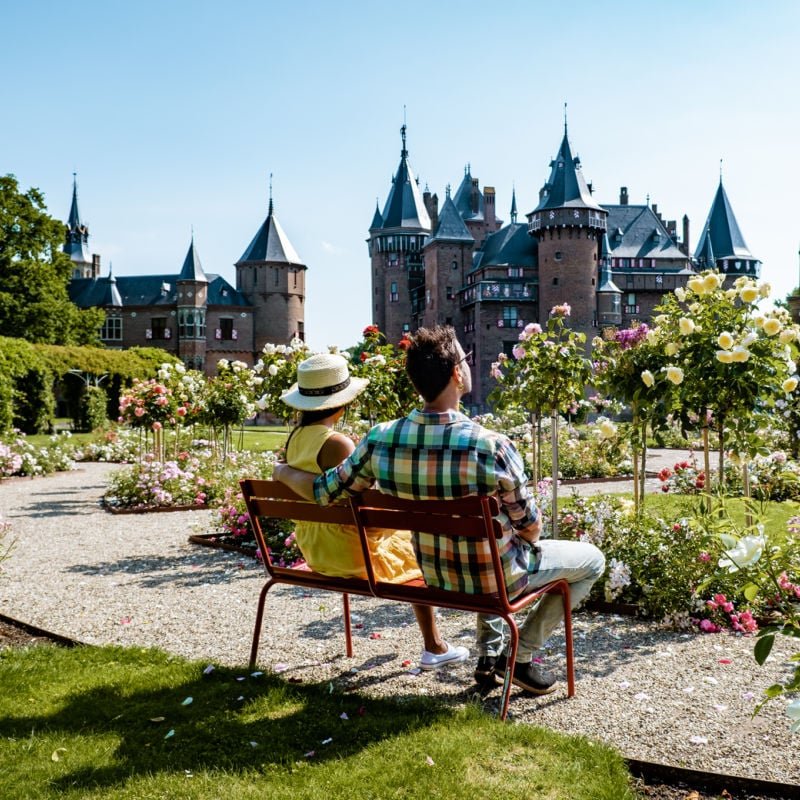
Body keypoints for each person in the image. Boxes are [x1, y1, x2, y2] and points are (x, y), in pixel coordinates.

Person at [274, 327, 605, 695]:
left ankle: (489, 655)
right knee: (589, 560)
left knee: (488, 545)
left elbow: (325, 492)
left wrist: (284, 470)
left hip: (432, 575)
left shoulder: (379, 439)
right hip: (493, 578)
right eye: (465, 360)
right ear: (456, 374)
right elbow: (530, 527)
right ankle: (519, 656)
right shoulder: (491, 446)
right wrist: (528, 535)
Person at [278, 352, 468, 670]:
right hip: (350, 553)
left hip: (314, 546)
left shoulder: (295, 438)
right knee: (415, 543)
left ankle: (435, 644)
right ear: (342, 402)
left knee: (404, 533)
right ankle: (434, 645)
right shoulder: (337, 443)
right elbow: (367, 511)